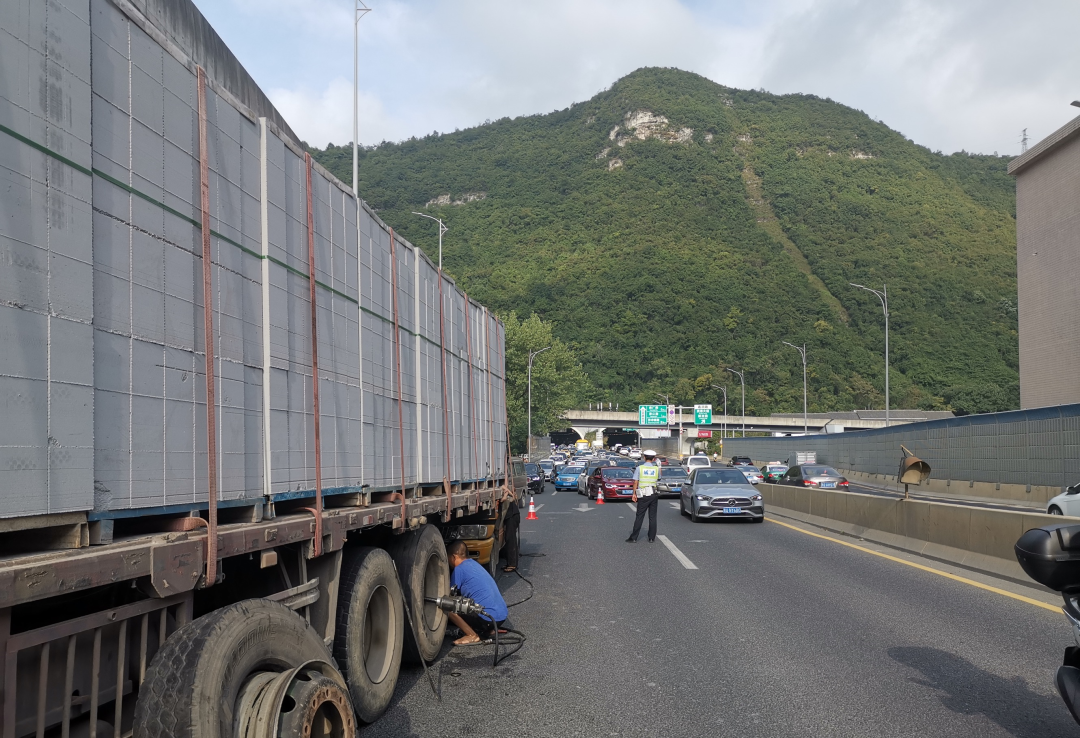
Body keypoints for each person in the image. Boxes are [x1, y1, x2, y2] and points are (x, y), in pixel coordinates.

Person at [446, 540, 509, 645]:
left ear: (454, 557)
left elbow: (451, 595)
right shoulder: (475, 564)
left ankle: (472, 635)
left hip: (487, 620)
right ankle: (490, 629)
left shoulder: (459, 570)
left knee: (447, 605)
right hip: (501, 617)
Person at [626, 449, 661, 543]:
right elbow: (659, 478)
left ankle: (634, 537)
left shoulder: (639, 468)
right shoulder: (656, 468)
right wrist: (659, 466)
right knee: (652, 516)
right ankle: (651, 538)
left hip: (643, 495)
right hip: (654, 494)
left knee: (640, 516)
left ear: (644, 457)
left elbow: (635, 482)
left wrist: (634, 494)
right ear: (653, 459)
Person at [501, 483, 520, 572]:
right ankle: (510, 563)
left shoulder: (507, 494)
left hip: (512, 516)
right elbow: (504, 486)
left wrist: (506, 494)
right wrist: (508, 492)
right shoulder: (503, 489)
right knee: (508, 539)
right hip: (510, 516)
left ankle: (513, 564)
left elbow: (503, 499)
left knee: (510, 540)